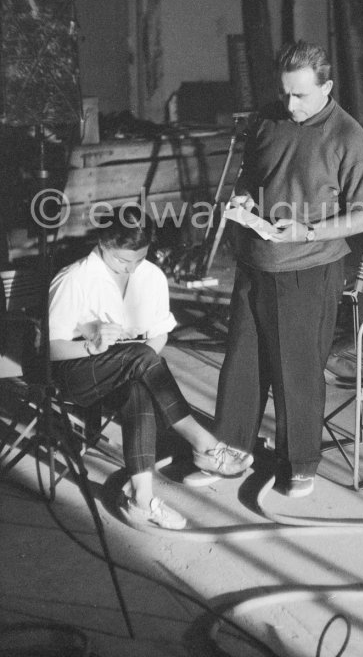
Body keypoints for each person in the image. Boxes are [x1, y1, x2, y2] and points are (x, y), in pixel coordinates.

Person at [203, 40, 363, 498]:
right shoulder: (268, 118)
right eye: (285, 93)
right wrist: (242, 197)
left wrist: (306, 232)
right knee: (242, 361)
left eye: (300, 95)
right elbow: (250, 172)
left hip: (308, 268)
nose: (290, 104)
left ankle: (300, 462)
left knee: (295, 369)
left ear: (327, 87)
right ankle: (231, 448)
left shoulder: (347, 136)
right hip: (256, 261)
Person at [48, 204, 253, 530]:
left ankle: (140, 499)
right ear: (103, 242)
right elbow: (51, 348)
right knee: (141, 360)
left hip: (128, 367)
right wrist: (91, 344)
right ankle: (205, 445)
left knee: (139, 387)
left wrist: (138, 363)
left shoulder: (151, 275)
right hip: (77, 371)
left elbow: (159, 335)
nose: (130, 269)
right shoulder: (74, 279)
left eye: (138, 259)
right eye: (121, 260)